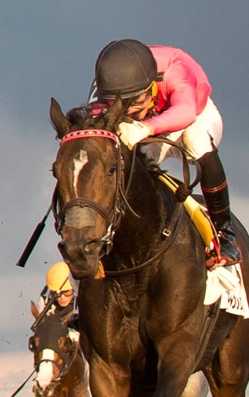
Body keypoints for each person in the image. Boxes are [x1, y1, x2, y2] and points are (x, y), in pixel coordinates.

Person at [92, 39, 239, 268]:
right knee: (127, 163)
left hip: (192, 116)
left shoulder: (174, 70)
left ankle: (224, 233)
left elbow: (187, 111)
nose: (131, 112)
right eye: (122, 106)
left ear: (151, 86)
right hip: (154, 121)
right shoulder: (104, 87)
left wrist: (145, 127)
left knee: (196, 141)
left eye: (136, 105)